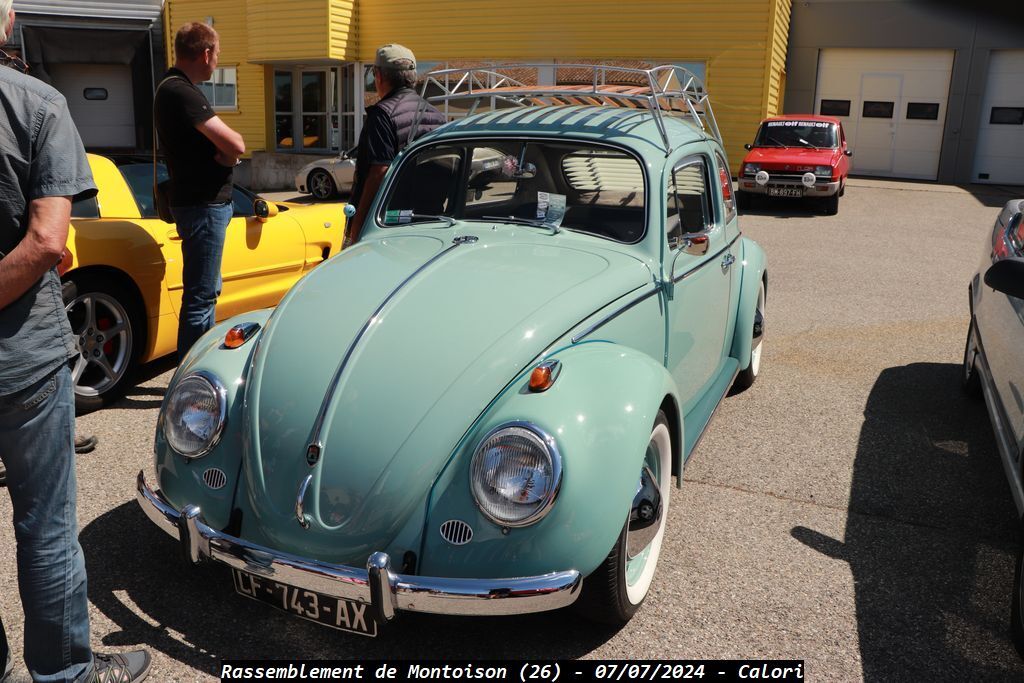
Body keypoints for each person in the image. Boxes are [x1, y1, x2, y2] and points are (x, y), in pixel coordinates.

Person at [0, 1, 152, 680]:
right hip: (25, 361)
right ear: (6, 26)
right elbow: (46, 243)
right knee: (48, 525)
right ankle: (65, 674)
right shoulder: (33, 103)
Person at [154, 21, 245, 360]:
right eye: (217, 54)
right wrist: (228, 155)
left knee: (205, 292)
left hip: (196, 202)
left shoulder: (169, 86)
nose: (217, 61)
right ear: (206, 53)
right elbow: (236, 143)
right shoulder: (182, 91)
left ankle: (199, 365)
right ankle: (191, 377)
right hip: (203, 205)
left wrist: (226, 155)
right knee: (201, 296)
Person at [344, 44, 447, 246]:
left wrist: (357, 229)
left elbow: (378, 173)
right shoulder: (436, 115)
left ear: (379, 76)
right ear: (413, 77)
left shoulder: (382, 115)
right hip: (430, 221)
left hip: (389, 225)